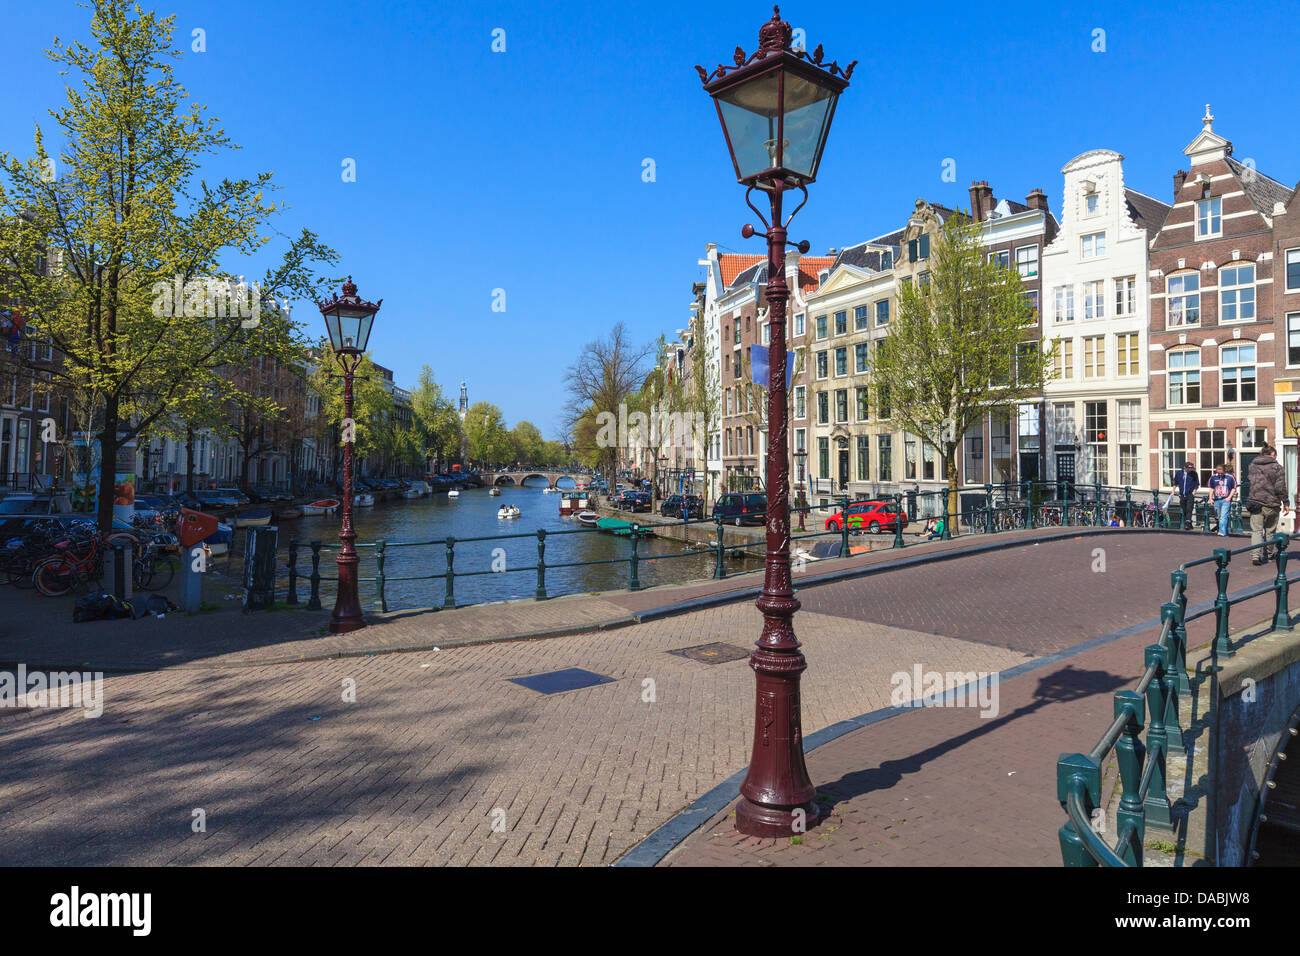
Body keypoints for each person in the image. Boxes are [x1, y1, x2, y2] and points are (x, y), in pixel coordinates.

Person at [1246, 444, 1289, 565]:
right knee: (1270, 531)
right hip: (1271, 503)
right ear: (1273, 454)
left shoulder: (1252, 465)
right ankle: (1269, 555)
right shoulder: (1277, 467)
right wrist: (1285, 502)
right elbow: (1280, 487)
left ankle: (1255, 555)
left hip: (1255, 502)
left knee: (1256, 531)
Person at [1208, 464, 1237, 536]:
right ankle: (1225, 531)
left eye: (1222, 473)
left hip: (1226, 500)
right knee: (1219, 517)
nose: (1220, 474)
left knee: (1224, 516)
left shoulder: (1230, 477)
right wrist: (1210, 498)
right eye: (1219, 473)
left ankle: (1222, 532)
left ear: (1225, 471)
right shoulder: (1213, 477)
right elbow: (1212, 488)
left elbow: (1233, 488)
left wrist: (1229, 497)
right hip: (1217, 499)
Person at [1173, 459, 1200, 530]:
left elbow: (1197, 483)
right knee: (1184, 509)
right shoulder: (1179, 473)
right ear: (1185, 468)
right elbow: (1175, 482)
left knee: (1189, 509)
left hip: (1190, 494)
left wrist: (1194, 491)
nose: (1190, 470)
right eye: (1189, 468)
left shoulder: (1194, 474)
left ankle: (1187, 524)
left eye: (1191, 468)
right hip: (1182, 494)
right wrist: (1173, 491)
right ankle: (1189, 523)